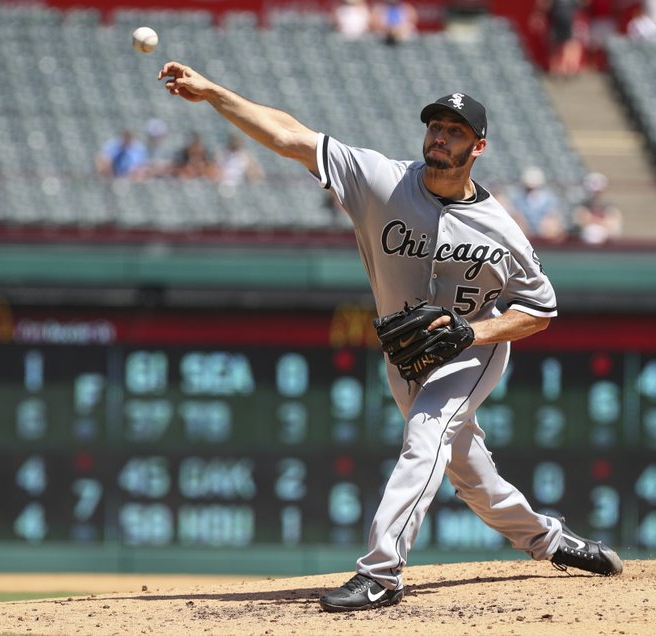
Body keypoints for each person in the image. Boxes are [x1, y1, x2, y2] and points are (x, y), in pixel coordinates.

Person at [157, 63, 624, 611]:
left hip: (473, 353)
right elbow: (289, 136)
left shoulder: (501, 229)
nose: (440, 137)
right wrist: (214, 92)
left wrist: (471, 333)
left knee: (426, 435)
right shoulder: (379, 180)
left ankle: (381, 573)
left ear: (478, 147)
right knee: (472, 477)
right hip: (406, 356)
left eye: (454, 131)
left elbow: (540, 310)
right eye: (434, 127)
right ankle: (549, 538)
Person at [508, 166, 568, 242]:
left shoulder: (549, 198)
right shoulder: (519, 198)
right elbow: (516, 215)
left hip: (543, 231)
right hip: (525, 231)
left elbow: (553, 217)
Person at [573, 172, 623, 243]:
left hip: (607, 241)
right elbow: (580, 222)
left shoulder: (611, 207)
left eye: (598, 191)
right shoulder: (582, 207)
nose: (595, 194)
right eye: (593, 191)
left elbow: (615, 226)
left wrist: (600, 223)